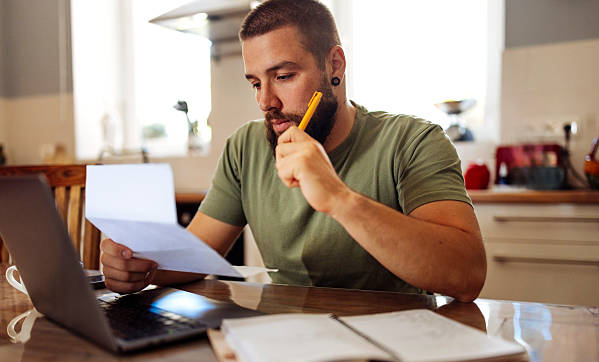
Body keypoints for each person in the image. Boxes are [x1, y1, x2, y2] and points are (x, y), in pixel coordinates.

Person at [101, 0, 486, 302]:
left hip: (397, 354)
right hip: (284, 342)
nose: (266, 101)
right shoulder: (245, 147)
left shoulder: (411, 140)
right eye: (255, 83)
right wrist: (139, 264)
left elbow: (466, 275)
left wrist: (339, 199)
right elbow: (193, 255)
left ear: (334, 64)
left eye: (283, 76)